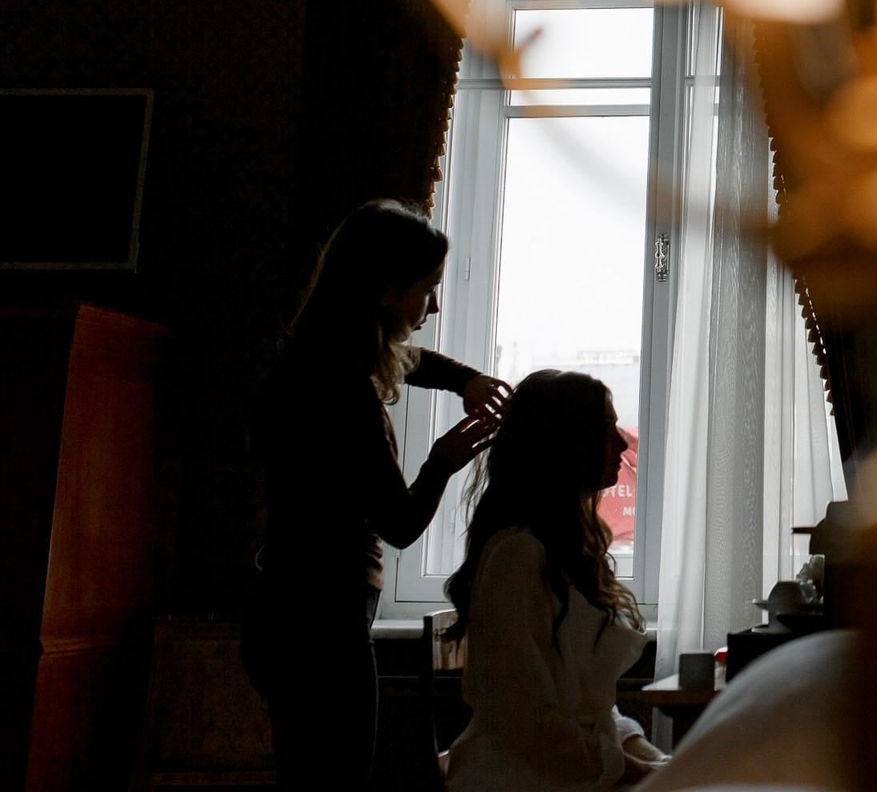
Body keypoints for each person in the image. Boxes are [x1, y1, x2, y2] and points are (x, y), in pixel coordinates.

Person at [245, 199, 510, 791]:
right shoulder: (346, 396)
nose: (434, 305)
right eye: (427, 287)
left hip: (284, 612)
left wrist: (462, 379)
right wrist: (442, 463)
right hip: (323, 624)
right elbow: (400, 523)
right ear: (386, 291)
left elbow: (408, 359)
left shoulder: (314, 360)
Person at [444, 369, 667, 790]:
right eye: (605, 427)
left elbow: (590, 707)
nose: (621, 442)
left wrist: (650, 757)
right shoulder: (516, 558)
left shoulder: (565, 552)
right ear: (564, 441)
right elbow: (525, 720)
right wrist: (638, 772)